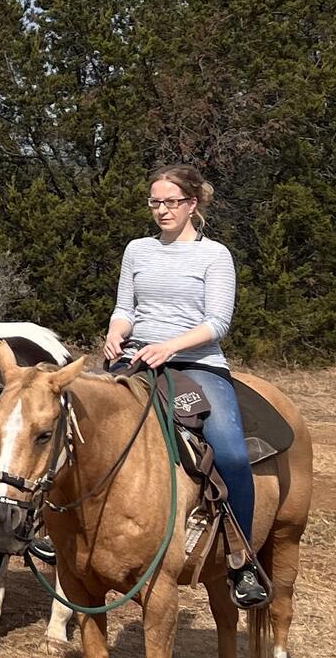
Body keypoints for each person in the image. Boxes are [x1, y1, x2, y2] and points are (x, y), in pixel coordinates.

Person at [103, 163, 266, 609]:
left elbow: (218, 323)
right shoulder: (137, 250)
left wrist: (169, 347)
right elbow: (125, 307)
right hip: (137, 357)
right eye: (155, 202)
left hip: (197, 365)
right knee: (79, 420)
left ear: (192, 204)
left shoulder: (215, 256)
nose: (161, 210)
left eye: (171, 202)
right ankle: (54, 530)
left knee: (230, 451)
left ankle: (242, 558)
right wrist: (117, 330)